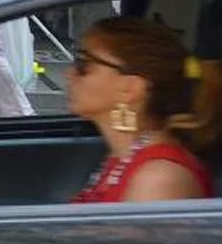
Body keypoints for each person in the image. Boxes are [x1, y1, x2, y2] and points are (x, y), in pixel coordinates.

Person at [63, 16, 213, 203]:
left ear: (130, 88)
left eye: (83, 64)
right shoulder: (125, 157)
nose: (68, 74)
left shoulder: (158, 179)